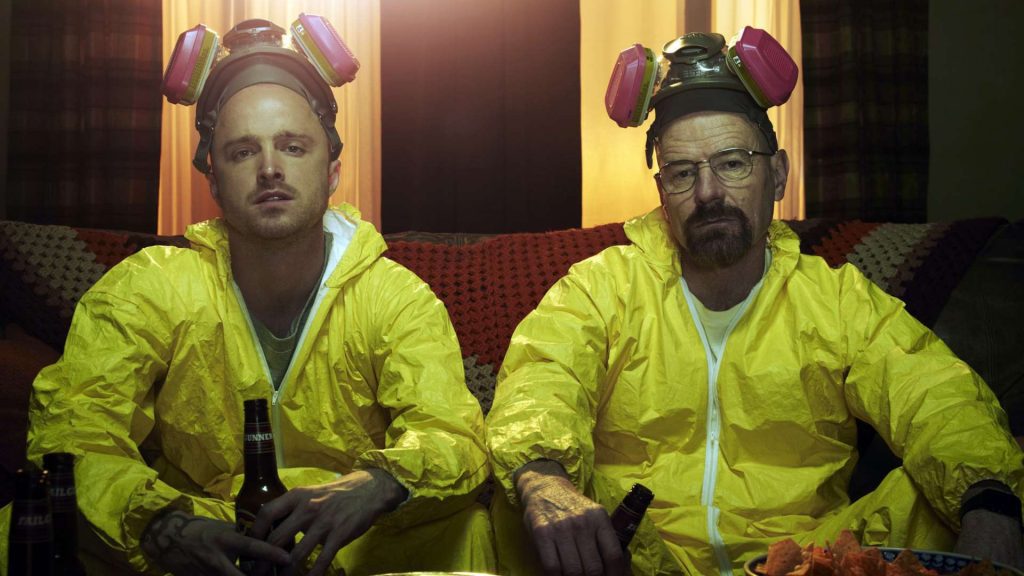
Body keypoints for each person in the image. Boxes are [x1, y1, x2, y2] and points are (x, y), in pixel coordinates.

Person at [486, 28, 1024, 576]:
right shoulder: (601, 287)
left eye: (733, 163)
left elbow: (935, 396)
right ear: (663, 193)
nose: (708, 193)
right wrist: (544, 481)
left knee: (961, 500)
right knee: (521, 500)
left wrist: (991, 504)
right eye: (682, 173)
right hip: (636, 558)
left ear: (779, 175)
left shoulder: (837, 300)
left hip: (803, 560)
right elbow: (542, 379)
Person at [0, 16, 493, 576]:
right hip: (198, 535)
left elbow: (451, 432)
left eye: (293, 146)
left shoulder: (393, 296)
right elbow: (76, 429)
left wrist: (381, 483)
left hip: (352, 536)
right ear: (213, 179)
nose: (270, 169)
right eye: (242, 152)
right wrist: (162, 526)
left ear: (332, 170)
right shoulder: (151, 286)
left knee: (473, 532)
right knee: (22, 528)